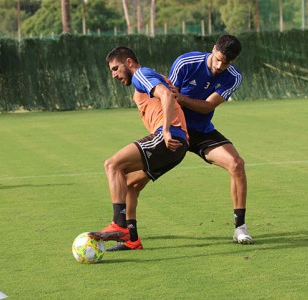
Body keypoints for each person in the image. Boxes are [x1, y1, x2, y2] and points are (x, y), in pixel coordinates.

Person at [90, 46, 189, 251]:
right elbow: (170, 93)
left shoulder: (140, 75)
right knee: (128, 185)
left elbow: (167, 96)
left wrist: (167, 129)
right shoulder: (151, 78)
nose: (114, 75)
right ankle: (131, 239)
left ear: (128, 62)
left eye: (116, 68)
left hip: (167, 137)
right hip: (177, 146)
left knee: (112, 165)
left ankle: (119, 224)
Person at [168, 34, 254, 244]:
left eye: (225, 63)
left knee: (237, 164)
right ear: (213, 48)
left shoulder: (233, 77)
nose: (218, 66)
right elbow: (168, 99)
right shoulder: (186, 62)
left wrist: (183, 99)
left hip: (202, 132)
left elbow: (207, 106)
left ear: (233, 61)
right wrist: (166, 130)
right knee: (137, 179)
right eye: (217, 59)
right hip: (176, 129)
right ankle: (124, 224)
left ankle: (240, 228)